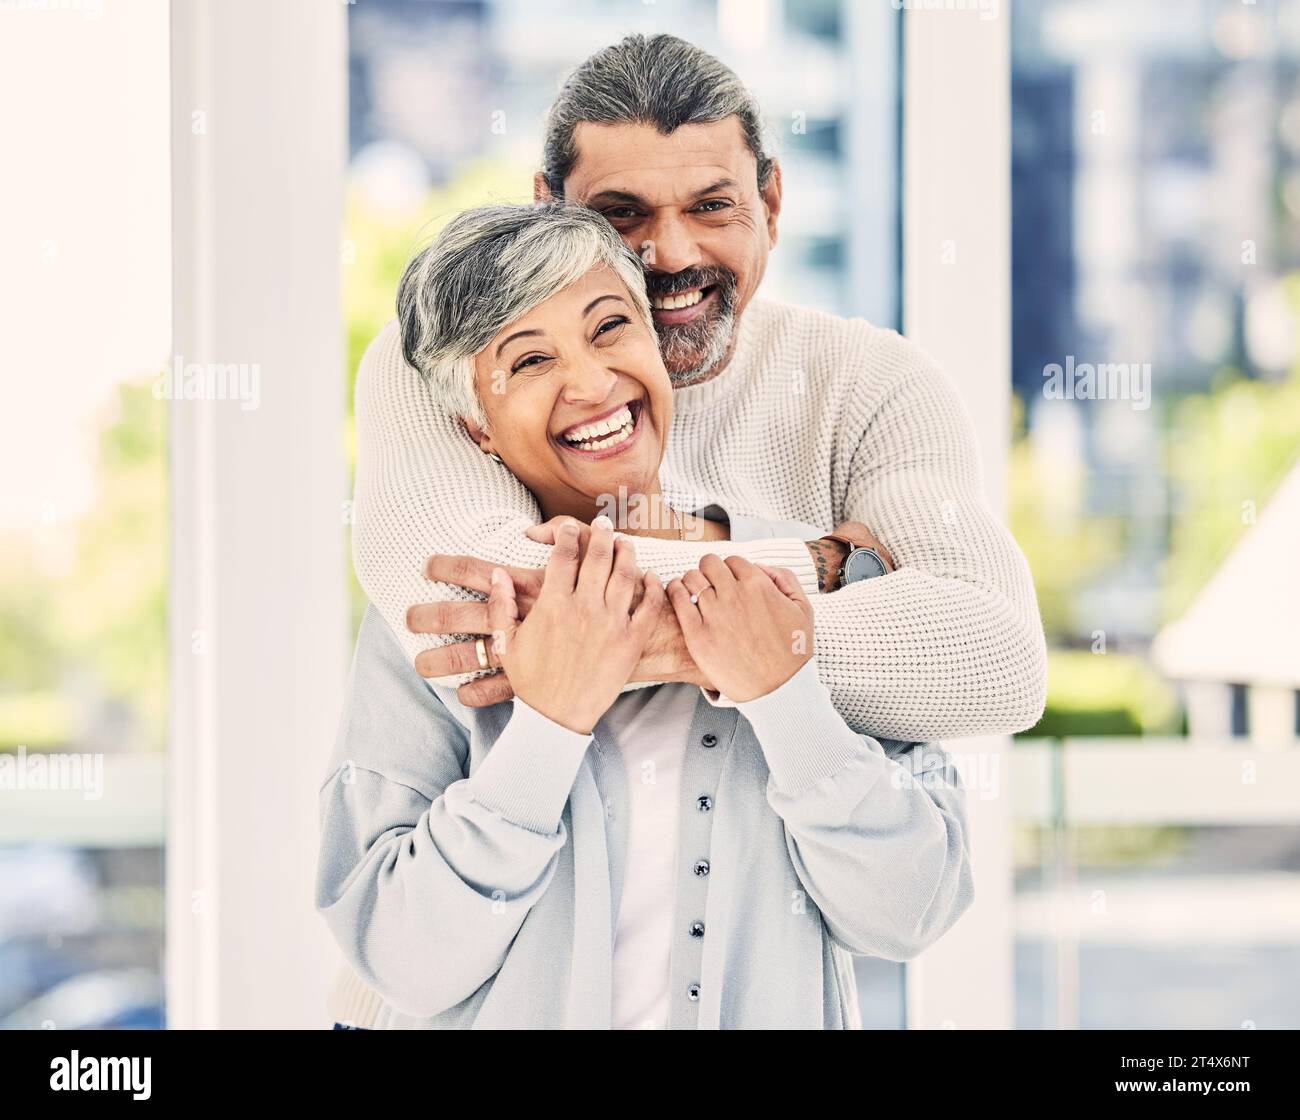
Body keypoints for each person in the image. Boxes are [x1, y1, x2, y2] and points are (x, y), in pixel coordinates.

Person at [315, 203, 974, 1029]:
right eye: (528, 361)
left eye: (610, 328)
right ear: (475, 428)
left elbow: (909, 913)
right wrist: (548, 726)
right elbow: (404, 956)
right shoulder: (446, 617)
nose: (591, 385)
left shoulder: (805, 600)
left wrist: (785, 697)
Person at [351, 33, 1047, 746]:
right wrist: (827, 566)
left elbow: (995, 662)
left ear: (770, 203)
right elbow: (461, 596)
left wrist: (670, 643)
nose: (673, 254)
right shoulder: (441, 359)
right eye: (622, 214)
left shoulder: (873, 383)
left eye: (712, 206)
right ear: (547, 209)